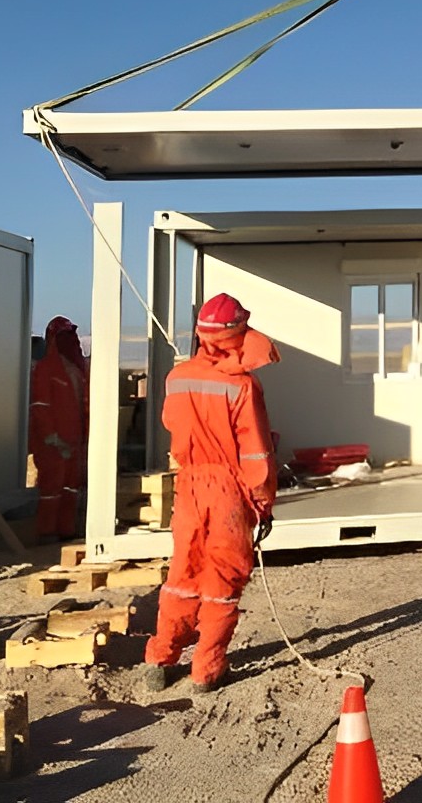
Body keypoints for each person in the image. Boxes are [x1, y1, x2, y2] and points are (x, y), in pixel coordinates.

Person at [144, 293, 278, 692]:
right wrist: (263, 503)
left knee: (183, 572)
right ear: (238, 333)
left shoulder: (177, 377)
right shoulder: (242, 385)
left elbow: (172, 423)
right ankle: (207, 670)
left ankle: (159, 660)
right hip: (227, 491)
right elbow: (255, 451)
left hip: (189, 486)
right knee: (223, 578)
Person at [29, 315, 89, 540]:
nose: (72, 341)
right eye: (65, 336)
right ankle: (46, 532)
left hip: (74, 441)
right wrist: (52, 438)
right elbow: (40, 406)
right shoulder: (46, 369)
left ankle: (66, 530)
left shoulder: (78, 371)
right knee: (51, 488)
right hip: (52, 445)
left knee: (71, 487)